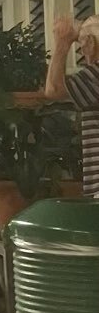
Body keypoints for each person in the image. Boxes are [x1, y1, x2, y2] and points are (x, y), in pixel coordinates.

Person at [45, 14, 99, 198]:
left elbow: (53, 89)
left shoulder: (95, 76)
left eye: (82, 45)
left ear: (91, 43)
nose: (82, 52)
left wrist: (62, 43)